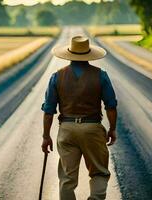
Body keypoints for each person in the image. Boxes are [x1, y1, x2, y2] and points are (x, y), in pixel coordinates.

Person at [41, 36, 117, 200]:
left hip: (67, 130)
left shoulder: (57, 77)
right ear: (89, 54)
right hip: (92, 129)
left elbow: (49, 111)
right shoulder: (101, 76)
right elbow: (111, 106)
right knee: (99, 173)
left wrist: (46, 137)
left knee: (67, 178)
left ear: (70, 54)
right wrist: (112, 129)